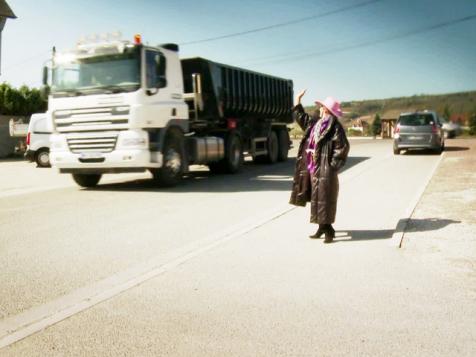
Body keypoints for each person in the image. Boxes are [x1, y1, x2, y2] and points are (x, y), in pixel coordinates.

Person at [289, 90, 350, 243]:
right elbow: (302, 118)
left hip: (325, 169)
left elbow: (342, 147)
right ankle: (322, 227)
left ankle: (328, 229)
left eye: (322, 107)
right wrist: (297, 101)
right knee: (318, 198)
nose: (320, 109)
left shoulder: (335, 127)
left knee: (325, 198)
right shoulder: (316, 124)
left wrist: (331, 166)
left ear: (327, 110)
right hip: (313, 167)